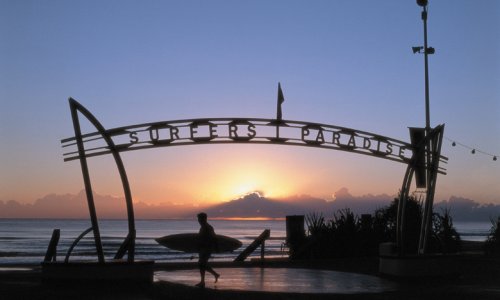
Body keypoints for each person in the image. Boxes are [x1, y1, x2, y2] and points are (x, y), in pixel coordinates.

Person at [196, 212, 220, 288]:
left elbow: (214, 238)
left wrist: (217, 248)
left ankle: (203, 281)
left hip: (207, 248)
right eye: (198, 219)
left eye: (200, 219)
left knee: (201, 264)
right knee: (201, 264)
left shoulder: (208, 227)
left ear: (204, 219)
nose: (198, 220)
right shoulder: (202, 227)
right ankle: (213, 275)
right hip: (202, 248)